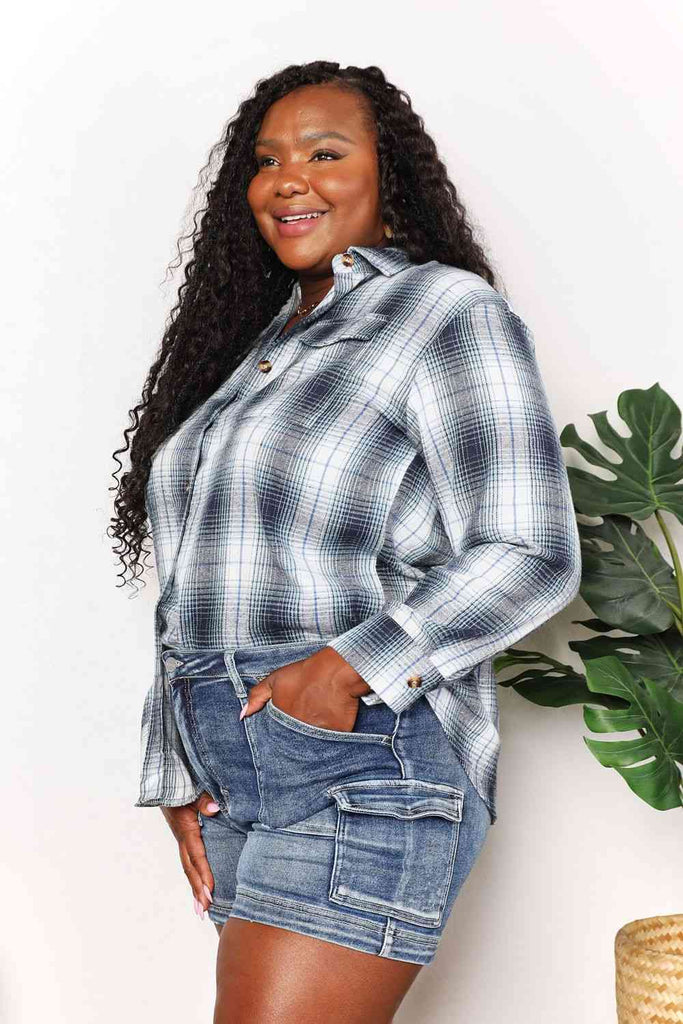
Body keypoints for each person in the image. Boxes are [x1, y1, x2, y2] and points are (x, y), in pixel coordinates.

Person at [109, 60, 581, 1023]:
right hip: (228, 759)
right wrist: (176, 763)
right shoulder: (253, 348)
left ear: (386, 176)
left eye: (324, 153)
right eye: (266, 160)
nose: (288, 179)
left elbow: (529, 549)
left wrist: (339, 670)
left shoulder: (443, 312)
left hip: (360, 746)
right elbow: (195, 580)